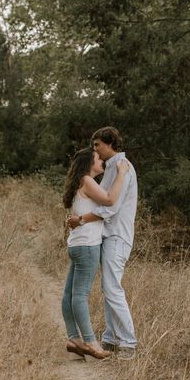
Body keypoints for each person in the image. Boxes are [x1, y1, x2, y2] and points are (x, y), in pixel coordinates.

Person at [67, 127, 138, 360]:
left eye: (97, 145)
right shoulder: (111, 168)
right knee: (108, 287)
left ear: (109, 143)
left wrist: (81, 219)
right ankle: (111, 338)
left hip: (117, 235)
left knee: (112, 287)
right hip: (106, 235)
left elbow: (110, 206)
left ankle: (127, 342)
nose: (94, 149)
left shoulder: (122, 167)